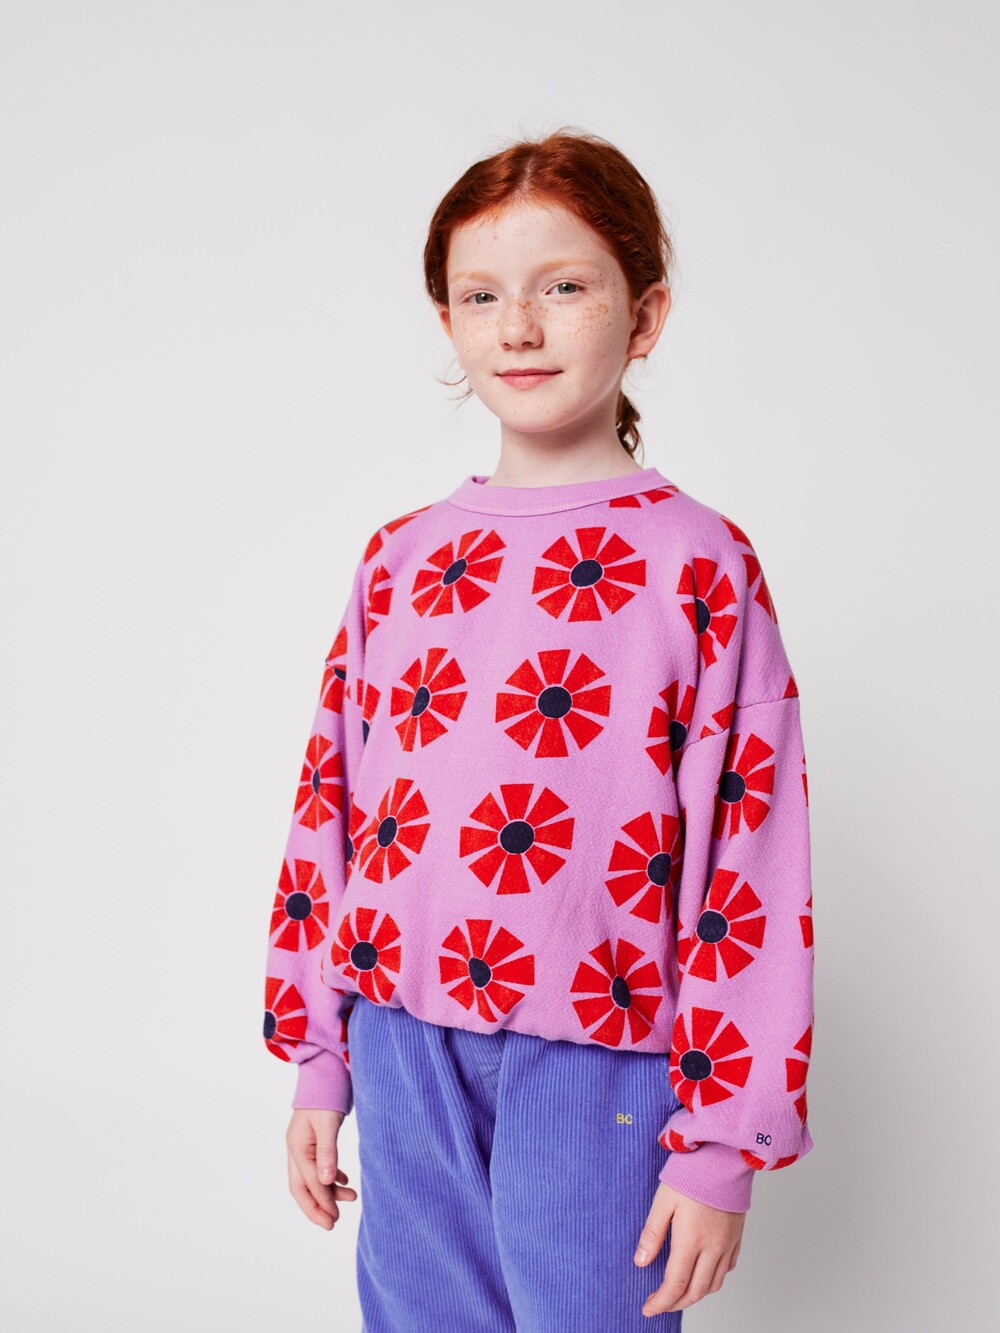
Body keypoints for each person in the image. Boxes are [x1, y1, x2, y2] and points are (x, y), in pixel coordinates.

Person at [261, 127, 815, 1331]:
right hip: (399, 1043)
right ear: (448, 322)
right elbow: (333, 805)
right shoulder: (401, 559)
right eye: (481, 295)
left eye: (563, 287)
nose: (517, 326)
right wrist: (320, 1056)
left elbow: (753, 859)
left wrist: (721, 1140)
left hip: (602, 1056)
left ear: (644, 314)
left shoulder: (698, 564)